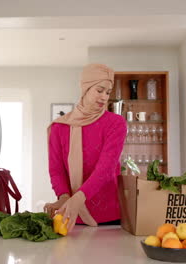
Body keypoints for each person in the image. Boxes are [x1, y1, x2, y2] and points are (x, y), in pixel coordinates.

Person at [44, 63, 127, 232]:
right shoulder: (59, 127)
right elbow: (56, 170)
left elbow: (106, 169)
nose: (104, 97)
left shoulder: (116, 123)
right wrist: (64, 197)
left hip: (109, 218)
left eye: (108, 92)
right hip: (70, 217)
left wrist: (77, 199)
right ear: (85, 88)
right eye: (99, 90)